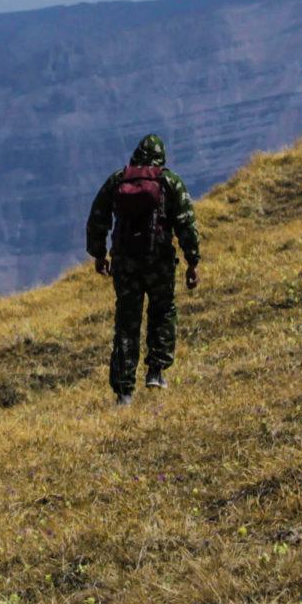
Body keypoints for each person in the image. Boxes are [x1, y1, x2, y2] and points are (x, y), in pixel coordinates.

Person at [84, 133, 201, 405]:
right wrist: (192, 262)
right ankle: (156, 371)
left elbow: (97, 219)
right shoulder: (169, 182)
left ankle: (124, 391)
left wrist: (100, 255)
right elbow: (186, 224)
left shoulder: (117, 180)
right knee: (162, 312)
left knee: (127, 324)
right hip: (158, 261)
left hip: (125, 264)